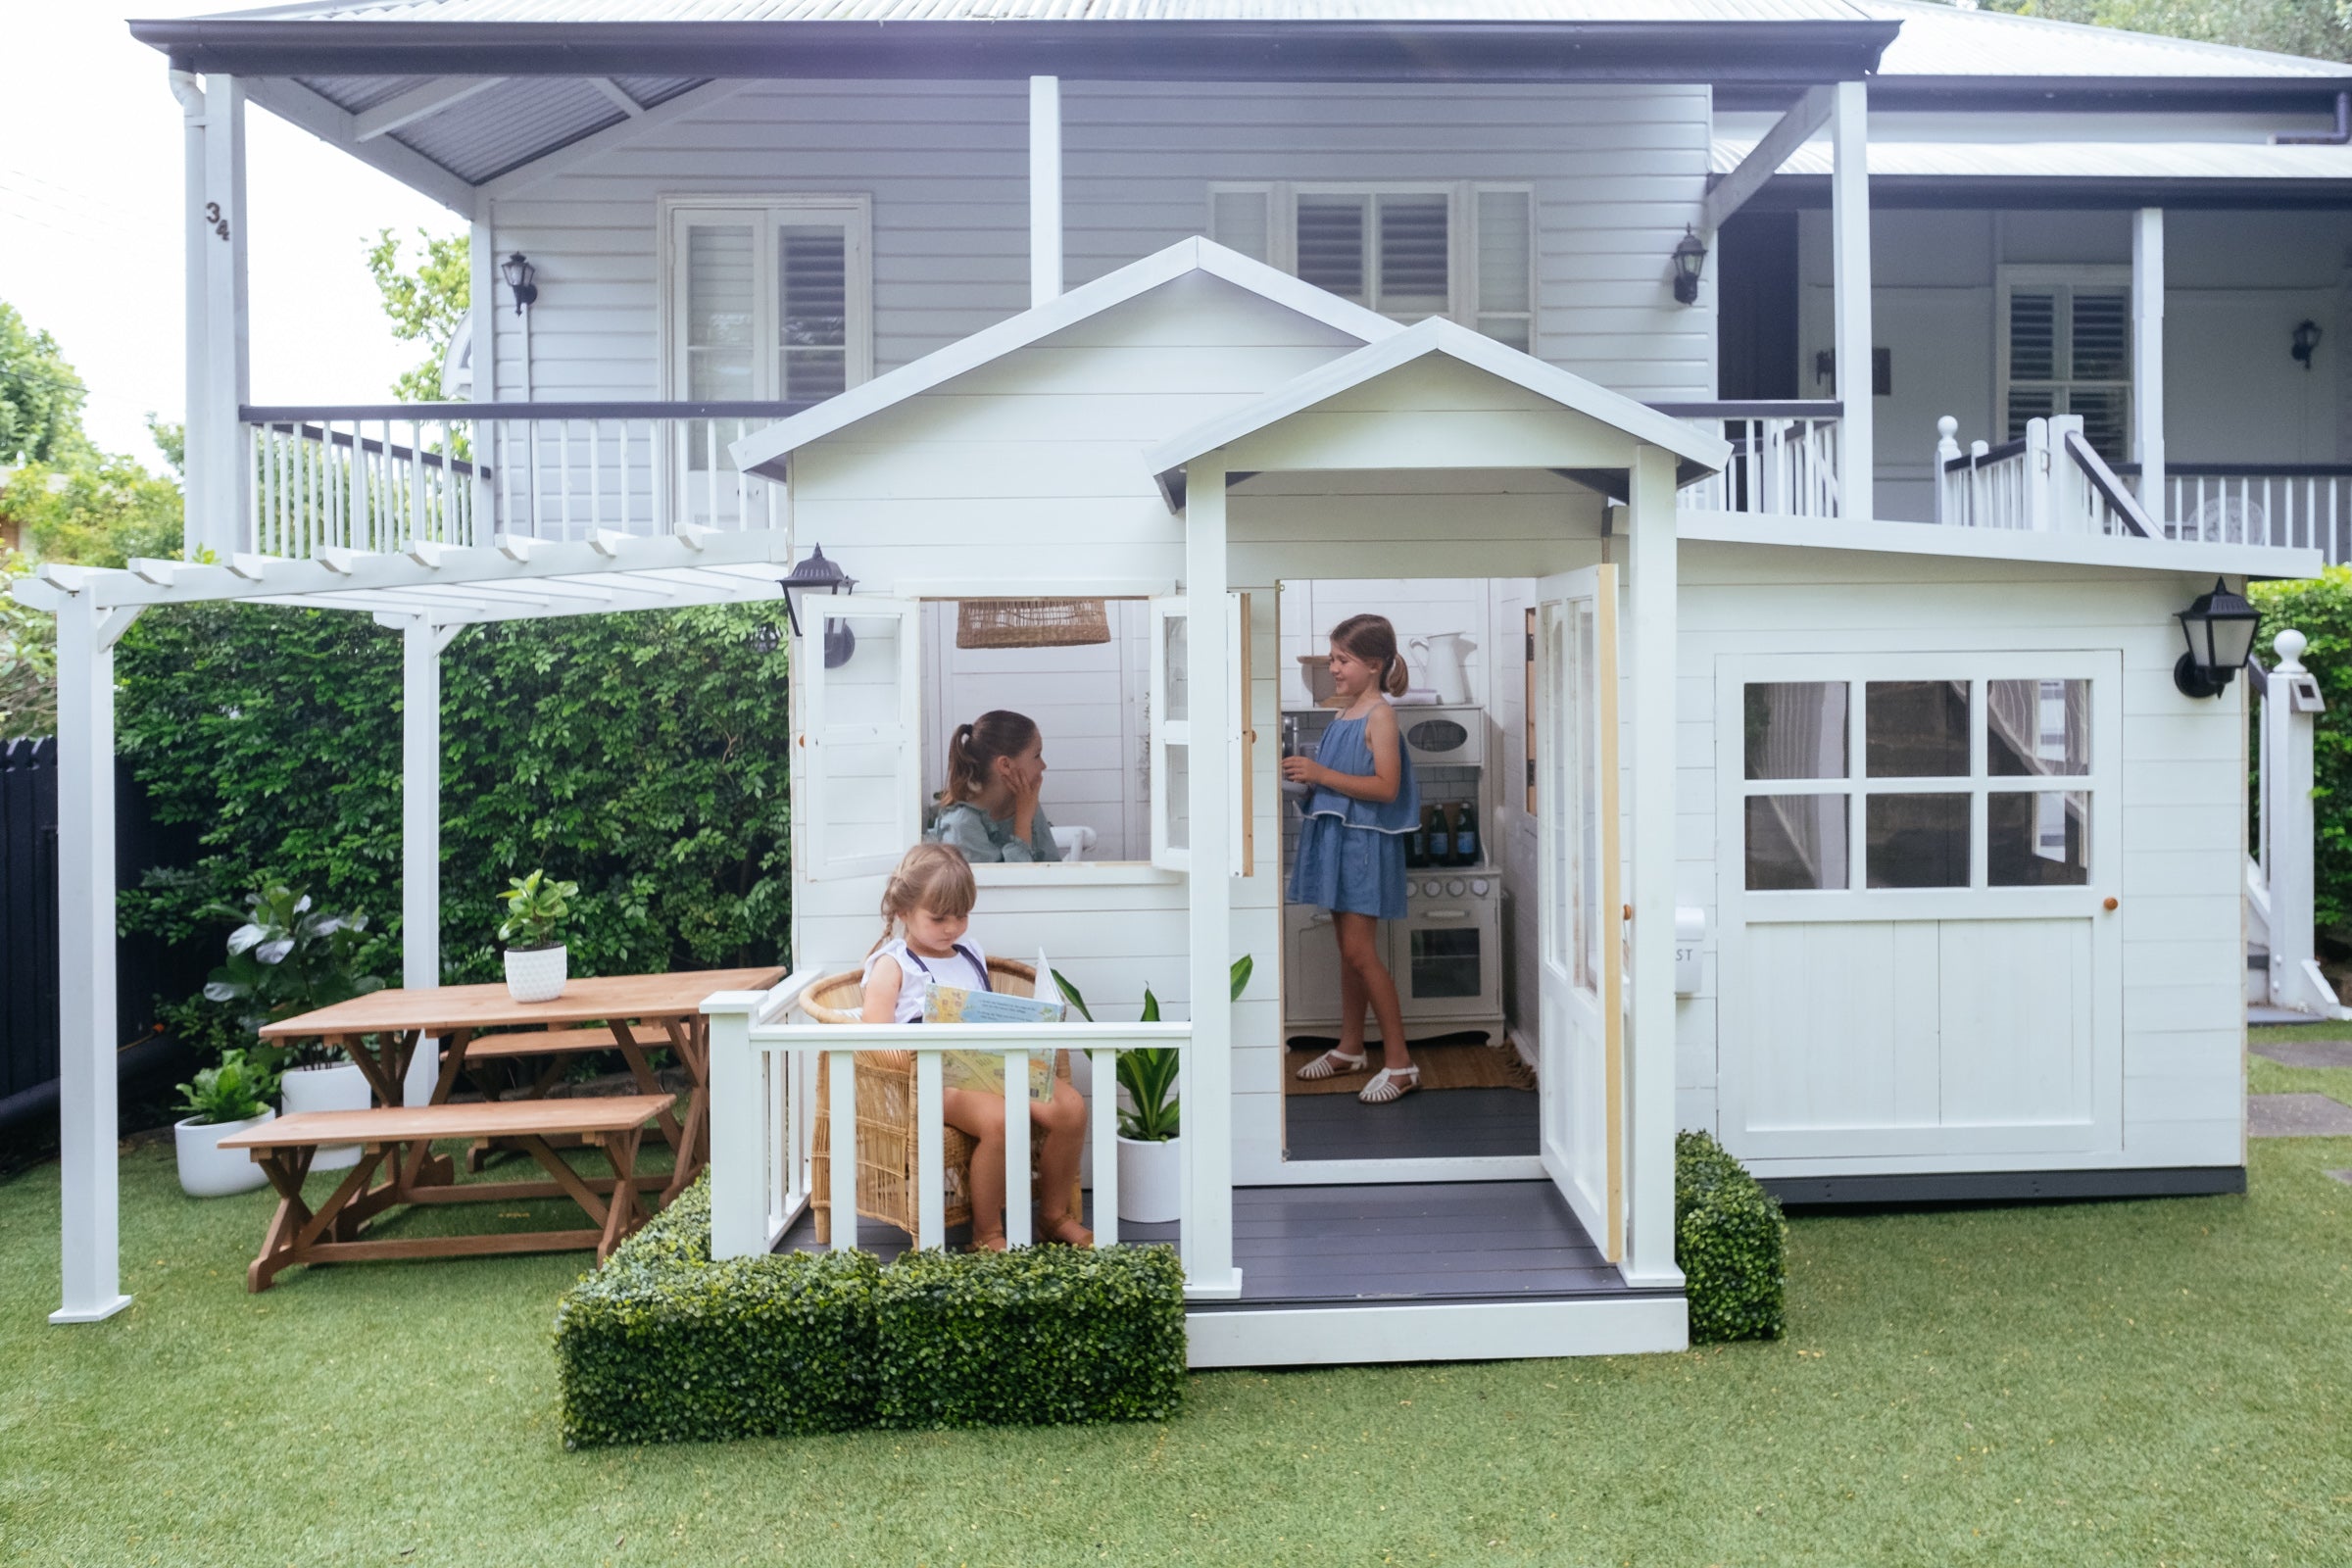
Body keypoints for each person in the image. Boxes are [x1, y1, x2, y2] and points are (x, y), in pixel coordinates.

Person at [860, 841, 1091, 1249]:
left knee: (1070, 1109)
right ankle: (987, 1233)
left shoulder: (969, 952)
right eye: (939, 918)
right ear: (903, 912)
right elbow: (874, 1038)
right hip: (938, 1081)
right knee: (1002, 1120)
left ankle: (1053, 1217)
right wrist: (913, 1053)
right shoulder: (892, 966)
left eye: (962, 915)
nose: (952, 927)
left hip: (994, 1067)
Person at [1284, 614, 1423, 1103]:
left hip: (1363, 846)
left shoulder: (1380, 715)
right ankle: (1349, 1048)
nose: (1334, 668)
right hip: (1339, 841)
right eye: (1332, 659)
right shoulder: (1345, 712)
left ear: (1373, 664)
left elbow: (1386, 788)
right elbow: (1339, 777)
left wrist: (1319, 773)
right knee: (1348, 953)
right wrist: (1309, 779)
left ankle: (1401, 1064)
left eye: (1341, 660)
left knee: (1362, 954)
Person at [927, 710, 1065, 864]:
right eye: (1037, 755)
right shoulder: (961, 825)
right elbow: (1008, 885)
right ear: (1005, 765)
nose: (1043, 765)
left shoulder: (1025, 801)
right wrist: (1023, 822)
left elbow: (1053, 866)